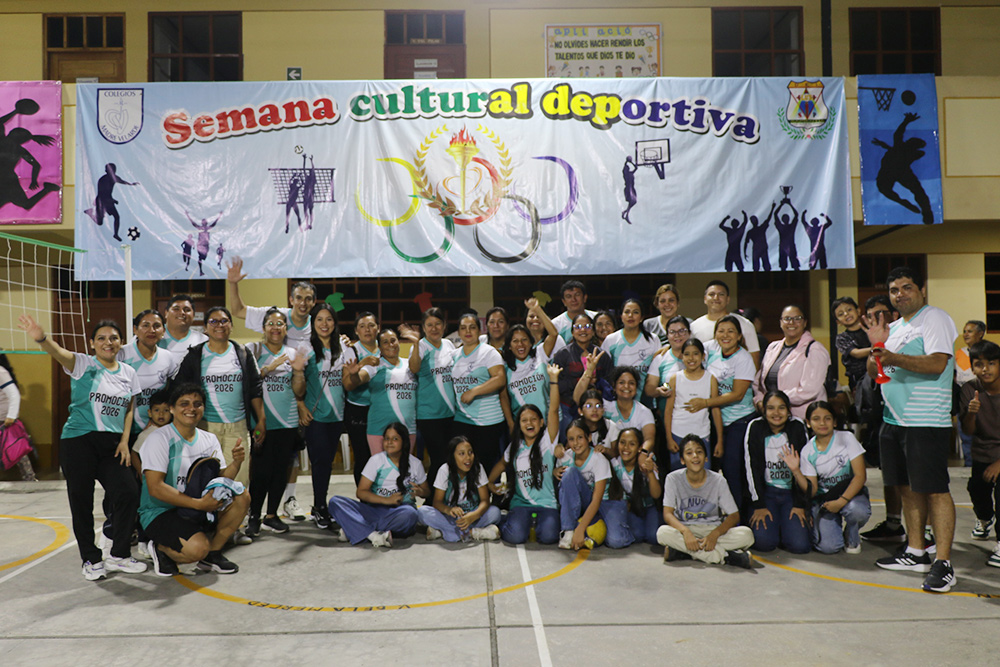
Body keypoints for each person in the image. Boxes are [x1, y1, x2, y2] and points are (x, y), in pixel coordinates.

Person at [18, 315, 146, 580]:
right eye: (101, 338)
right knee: (82, 502)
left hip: (112, 444)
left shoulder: (128, 372)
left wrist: (125, 441)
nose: (108, 342)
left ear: (121, 342)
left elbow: (129, 408)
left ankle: (119, 555)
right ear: (92, 343)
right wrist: (42, 338)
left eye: (113, 338)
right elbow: (58, 352)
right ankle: (91, 559)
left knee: (128, 492)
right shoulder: (83, 364)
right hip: (78, 442)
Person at [867, 266, 958, 592]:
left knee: (935, 490)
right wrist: (877, 348)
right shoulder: (894, 327)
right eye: (894, 290)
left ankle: (944, 563)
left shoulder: (934, 318)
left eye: (907, 287)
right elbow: (874, 369)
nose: (900, 294)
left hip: (925, 420)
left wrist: (892, 356)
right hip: (894, 419)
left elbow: (936, 364)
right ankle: (916, 550)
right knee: (906, 487)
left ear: (921, 290)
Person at [139, 383, 249, 576]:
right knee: (197, 549)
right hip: (161, 511)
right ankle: (160, 548)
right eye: (184, 403)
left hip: (195, 507)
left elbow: (220, 480)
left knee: (242, 496)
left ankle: (212, 555)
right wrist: (199, 504)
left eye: (197, 404)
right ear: (172, 408)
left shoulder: (209, 439)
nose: (191, 408)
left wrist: (236, 463)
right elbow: (155, 488)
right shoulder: (159, 439)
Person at [176, 306, 265, 490]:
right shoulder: (195, 355)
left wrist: (261, 420)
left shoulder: (242, 353)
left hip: (237, 428)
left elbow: (255, 389)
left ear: (231, 325)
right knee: (206, 482)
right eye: (213, 321)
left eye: (224, 321)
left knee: (238, 484)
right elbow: (180, 389)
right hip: (205, 428)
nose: (219, 325)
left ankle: (236, 510)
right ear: (205, 328)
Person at [245, 309, 307, 537]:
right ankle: (254, 515)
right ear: (263, 328)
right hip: (261, 422)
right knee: (260, 472)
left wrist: (298, 372)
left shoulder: (292, 353)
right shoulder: (253, 350)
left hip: (287, 422)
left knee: (281, 471)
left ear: (286, 329)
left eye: (280, 323)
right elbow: (248, 382)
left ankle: (271, 515)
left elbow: (298, 391)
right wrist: (268, 369)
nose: (275, 327)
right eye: (270, 323)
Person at [785, 401, 870, 554]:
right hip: (825, 502)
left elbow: (860, 476)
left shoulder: (847, 438)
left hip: (850, 495)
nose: (822, 423)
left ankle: (851, 536)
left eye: (827, 418)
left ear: (835, 421)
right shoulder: (807, 451)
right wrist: (796, 471)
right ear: (808, 423)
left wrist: (841, 502)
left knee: (857, 511)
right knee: (829, 547)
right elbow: (812, 491)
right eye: (816, 419)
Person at [657, 435, 754, 568]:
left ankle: (685, 552)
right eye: (689, 453)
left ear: (706, 458)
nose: (695, 456)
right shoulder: (673, 479)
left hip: (713, 529)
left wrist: (715, 534)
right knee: (662, 533)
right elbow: (667, 514)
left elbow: (734, 515)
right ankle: (726, 557)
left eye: (699, 452)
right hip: (687, 528)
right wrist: (685, 532)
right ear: (682, 460)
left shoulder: (718, 480)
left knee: (747, 535)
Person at [328, 422, 429, 548]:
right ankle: (373, 535)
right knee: (335, 502)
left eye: (395, 439)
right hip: (374, 510)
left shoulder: (415, 463)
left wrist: (420, 492)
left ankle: (355, 528)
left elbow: (427, 492)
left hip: (400, 511)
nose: (389, 442)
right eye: (386, 438)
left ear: (404, 442)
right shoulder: (376, 460)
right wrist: (386, 500)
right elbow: (361, 492)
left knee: (410, 514)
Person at [488, 377, 562, 545]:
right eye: (524, 420)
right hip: (521, 504)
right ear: (519, 425)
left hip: (547, 504)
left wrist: (553, 381)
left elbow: (553, 410)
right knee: (515, 537)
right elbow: (501, 464)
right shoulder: (515, 447)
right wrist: (490, 482)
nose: (529, 423)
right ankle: (504, 520)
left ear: (541, 422)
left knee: (549, 537)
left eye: (534, 419)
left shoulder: (547, 441)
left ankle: (532, 524)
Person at [301, 302, 356, 529]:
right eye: (320, 319)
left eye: (329, 319)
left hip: (337, 415)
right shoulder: (305, 348)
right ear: (312, 323)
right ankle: (319, 506)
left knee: (327, 462)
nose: (325, 324)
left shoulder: (344, 346)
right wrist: (299, 405)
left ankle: (320, 505)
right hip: (316, 417)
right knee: (320, 462)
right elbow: (295, 381)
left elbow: (348, 380)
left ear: (335, 322)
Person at [857, 296, 906, 544]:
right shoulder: (879, 340)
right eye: (870, 315)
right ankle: (893, 524)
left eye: (880, 314)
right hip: (886, 416)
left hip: (912, 417)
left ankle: (925, 534)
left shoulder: (905, 336)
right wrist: (876, 344)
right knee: (890, 473)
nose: (875, 319)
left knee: (914, 480)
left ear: (893, 314)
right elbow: (873, 372)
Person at [696, 316, 758, 512]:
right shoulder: (710, 349)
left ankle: (737, 517)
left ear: (739, 336)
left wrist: (705, 402)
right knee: (712, 469)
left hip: (739, 420)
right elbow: (688, 349)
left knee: (733, 470)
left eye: (731, 331)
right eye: (721, 331)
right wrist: (664, 350)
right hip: (715, 421)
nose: (725, 335)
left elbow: (737, 394)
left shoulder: (744, 358)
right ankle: (714, 513)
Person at [744, 391, 811, 554]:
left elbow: (806, 466)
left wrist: (800, 504)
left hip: (790, 495)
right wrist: (759, 504)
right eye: (771, 408)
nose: (776, 413)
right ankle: (778, 527)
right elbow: (751, 467)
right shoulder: (755, 427)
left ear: (788, 410)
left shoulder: (797, 426)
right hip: (767, 494)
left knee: (799, 546)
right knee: (764, 543)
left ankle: (785, 527)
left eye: (781, 408)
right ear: (764, 410)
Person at [556, 417, 632, 550]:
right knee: (569, 473)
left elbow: (597, 500)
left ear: (589, 437)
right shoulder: (565, 458)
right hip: (586, 501)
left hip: (606, 501)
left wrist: (580, 529)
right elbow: (565, 492)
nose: (576, 443)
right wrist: (554, 471)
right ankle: (568, 531)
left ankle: (617, 523)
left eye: (580, 437)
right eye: (571, 439)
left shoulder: (599, 459)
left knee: (616, 541)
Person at [343, 327, 419, 455]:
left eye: (393, 340)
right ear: (379, 347)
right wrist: (354, 373)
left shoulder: (409, 366)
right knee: (380, 467)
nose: (390, 345)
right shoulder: (374, 366)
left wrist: (416, 342)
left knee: (405, 466)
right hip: (379, 430)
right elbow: (358, 380)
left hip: (408, 428)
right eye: (385, 342)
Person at [958, 340, 1000, 567]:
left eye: (991, 363)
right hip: (983, 453)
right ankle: (984, 519)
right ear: (972, 367)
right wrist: (971, 413)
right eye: (979, 364)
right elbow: (968, 431)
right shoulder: (969, 389)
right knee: (976, 490)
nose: (985, 369)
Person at [450, 310, 507, 470]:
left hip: (488, 421)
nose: (468, 331)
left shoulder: (489, 352)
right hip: (463, 418)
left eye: (472, 327)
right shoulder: (454, 355)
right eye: (463, 328)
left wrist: (474, 391)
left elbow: (500, 378)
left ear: (480, 330)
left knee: (485, 466)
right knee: (464, 465)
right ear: (458, 332)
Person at [752, 304, 830, 420]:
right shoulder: (773, 347)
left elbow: (809, 390)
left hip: (804, 418)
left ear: (805, 323)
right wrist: (760, 401)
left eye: (797, 318)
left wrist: (774, 401)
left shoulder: (815, 349)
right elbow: (758, 382)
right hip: (773, 418)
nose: (792, 322)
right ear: (781, 322)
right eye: (787, 318)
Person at [418, 435, 502, 542]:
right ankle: (474, 532)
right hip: (451, 517)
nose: (468, 458)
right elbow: (437, 502)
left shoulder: (478, 468)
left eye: (470, 452)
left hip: (473, 515)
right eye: (462, 454)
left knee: (495, 512)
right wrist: (449, 510)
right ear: (452, 456)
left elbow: (485, 500)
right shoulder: (445, 470)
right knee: (422, 512)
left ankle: (446, 532)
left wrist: (474, 515)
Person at [407, 308, 456, 485]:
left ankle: (443, 495)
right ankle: (431, 496)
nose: (434, 328)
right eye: (429, 325)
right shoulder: (421, 346)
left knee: (449, 459)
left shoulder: (448, 344)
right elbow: (414, 368)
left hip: (450, 413)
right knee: (439, 459)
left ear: (444, 325)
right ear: (423, 327)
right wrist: (415, 344)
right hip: (429, 415)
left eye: (438, 324)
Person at [663, 339, 723, 471]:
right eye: (687, 354)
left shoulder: (710, 379)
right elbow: (668, 411)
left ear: (703, 356)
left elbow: (715, 410)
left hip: (702, 434)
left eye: (695, 354)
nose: (691, 358)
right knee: (678, 476)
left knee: (703, 475)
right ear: (682, 356)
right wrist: (669, 438)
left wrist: (720, 440)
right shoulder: (675, 378)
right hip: (678, 434)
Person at [118, 309, 180, 438]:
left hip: (158, 428)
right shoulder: (122, 354)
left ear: (163, 331)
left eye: (156, 326)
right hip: (124, 429)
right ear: (135, 329)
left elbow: (173, 392)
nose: (151, 330)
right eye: (146, 325)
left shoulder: (168, 357)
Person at [228, 258, 316, 347]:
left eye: (308, 299)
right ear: (291, 300)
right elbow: (238, 311)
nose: (303, 303)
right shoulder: (274, 316)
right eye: (299, 298)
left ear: (314, 302)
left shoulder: (317, 325)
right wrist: (233, 284)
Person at [576, 363, 655, 455]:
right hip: (610, 458)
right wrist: (589, 372)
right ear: (614, 386)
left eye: (631, 383)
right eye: (621, 382)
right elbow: (579, 398)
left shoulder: (644, 412)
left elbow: (649, 439)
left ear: (636, 387)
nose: (626, 386)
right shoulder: (604, 406)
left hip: (637, 456)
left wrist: (643, 453)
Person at [553, 313, 612, 434]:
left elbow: (610, 383)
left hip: (595, 408)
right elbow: (558, 386)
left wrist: (597, 383)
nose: (583, 330)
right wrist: (581, 380)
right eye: (578, 327)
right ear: (572, 332)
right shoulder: (562, 354)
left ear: (593, 331)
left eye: (587, 326)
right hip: (568, 408)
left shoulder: (602, 355)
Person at [689, 280, 760, 368]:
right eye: (712, 294)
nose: (716, 298)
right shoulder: (694, 326)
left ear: (728, 299)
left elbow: (754, 358)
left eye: (721, 294)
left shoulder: (744, 324)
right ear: (705, 299)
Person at [609, 427, 662, 544]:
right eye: (622, 442)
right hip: (632, 507)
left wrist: (650, 472)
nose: (626, 448)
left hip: (649, 506)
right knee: (637, 535)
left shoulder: (647, 461)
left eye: (632, 444)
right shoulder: (615, 464)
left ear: (639, 448)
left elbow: (656, 494)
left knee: (653, 537)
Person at [344, 312, 380, 484]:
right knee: (363, 456)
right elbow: (348, 385)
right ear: (356, 331)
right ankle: (363, 495)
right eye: (362, 326)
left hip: (381, 410)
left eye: (371, 325)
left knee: (382, 455)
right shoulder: (352, 351)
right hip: (357, 410)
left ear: (378, 328)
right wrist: (360, 366)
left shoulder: (385, 349)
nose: (367, 330)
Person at [501, 323, 552, 432]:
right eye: (515, 341)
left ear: (530, 342)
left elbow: (553, 333)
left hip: (549, 421)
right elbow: (504, 397)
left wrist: (537, 312)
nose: (520, 344)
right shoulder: (505, 368)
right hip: (523, 426)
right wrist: (511, 424)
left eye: (524, 340)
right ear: (509, 346)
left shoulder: (540, 354)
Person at [601, 298, 660, 392]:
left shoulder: (653, 339)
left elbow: (657, 369)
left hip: (645, 396)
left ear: (641, 318)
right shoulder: (611, 340)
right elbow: (604, 371)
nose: (630, 315)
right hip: (618, 395)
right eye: (627, 312)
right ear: (621, 316)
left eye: (635, 312)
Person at [644, 315, 690, 413]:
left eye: (682, 331)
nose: (677, 335)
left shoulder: (700, 356)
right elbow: (649, 389)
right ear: (667, 336)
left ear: (689, 333)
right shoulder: (661, 358)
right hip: (668, 414)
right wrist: (658, 391)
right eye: (672, 332)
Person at [0, 353, 35, 481]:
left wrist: (11, 416)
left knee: (16, 450)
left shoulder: (1, 372)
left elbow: (14, 394)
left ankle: (30, 479)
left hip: (4, 419)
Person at [955, 320, 986, 467]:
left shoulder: (989, 352)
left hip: (985, 398)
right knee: (966, 435)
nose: (966, 334)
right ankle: (969, 466)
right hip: (964, 400)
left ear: (980, 334)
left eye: (970, 331)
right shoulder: (959, 353)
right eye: (964, 331)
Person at [84, 163, 139, 242]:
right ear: (106, 171)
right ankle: (90, 212)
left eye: (113, 170)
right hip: (101, 201)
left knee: (116, 216)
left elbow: (121, 181)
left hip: (109, 200)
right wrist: (112, 200)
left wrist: (131, 184)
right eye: (110, 170)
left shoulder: (114, 177)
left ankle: (116, 234)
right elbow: (102, 194)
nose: (113, 172)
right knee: (99, 222)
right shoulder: (103, 180)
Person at [832, 297, 870, 393]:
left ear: (858, 311)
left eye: (849, 309)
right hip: (858, 380)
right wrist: (877, 348)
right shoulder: (842, 338)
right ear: (838, 322)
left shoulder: (871, 329)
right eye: (841, 314)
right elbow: (857, 353)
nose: (846, 314)